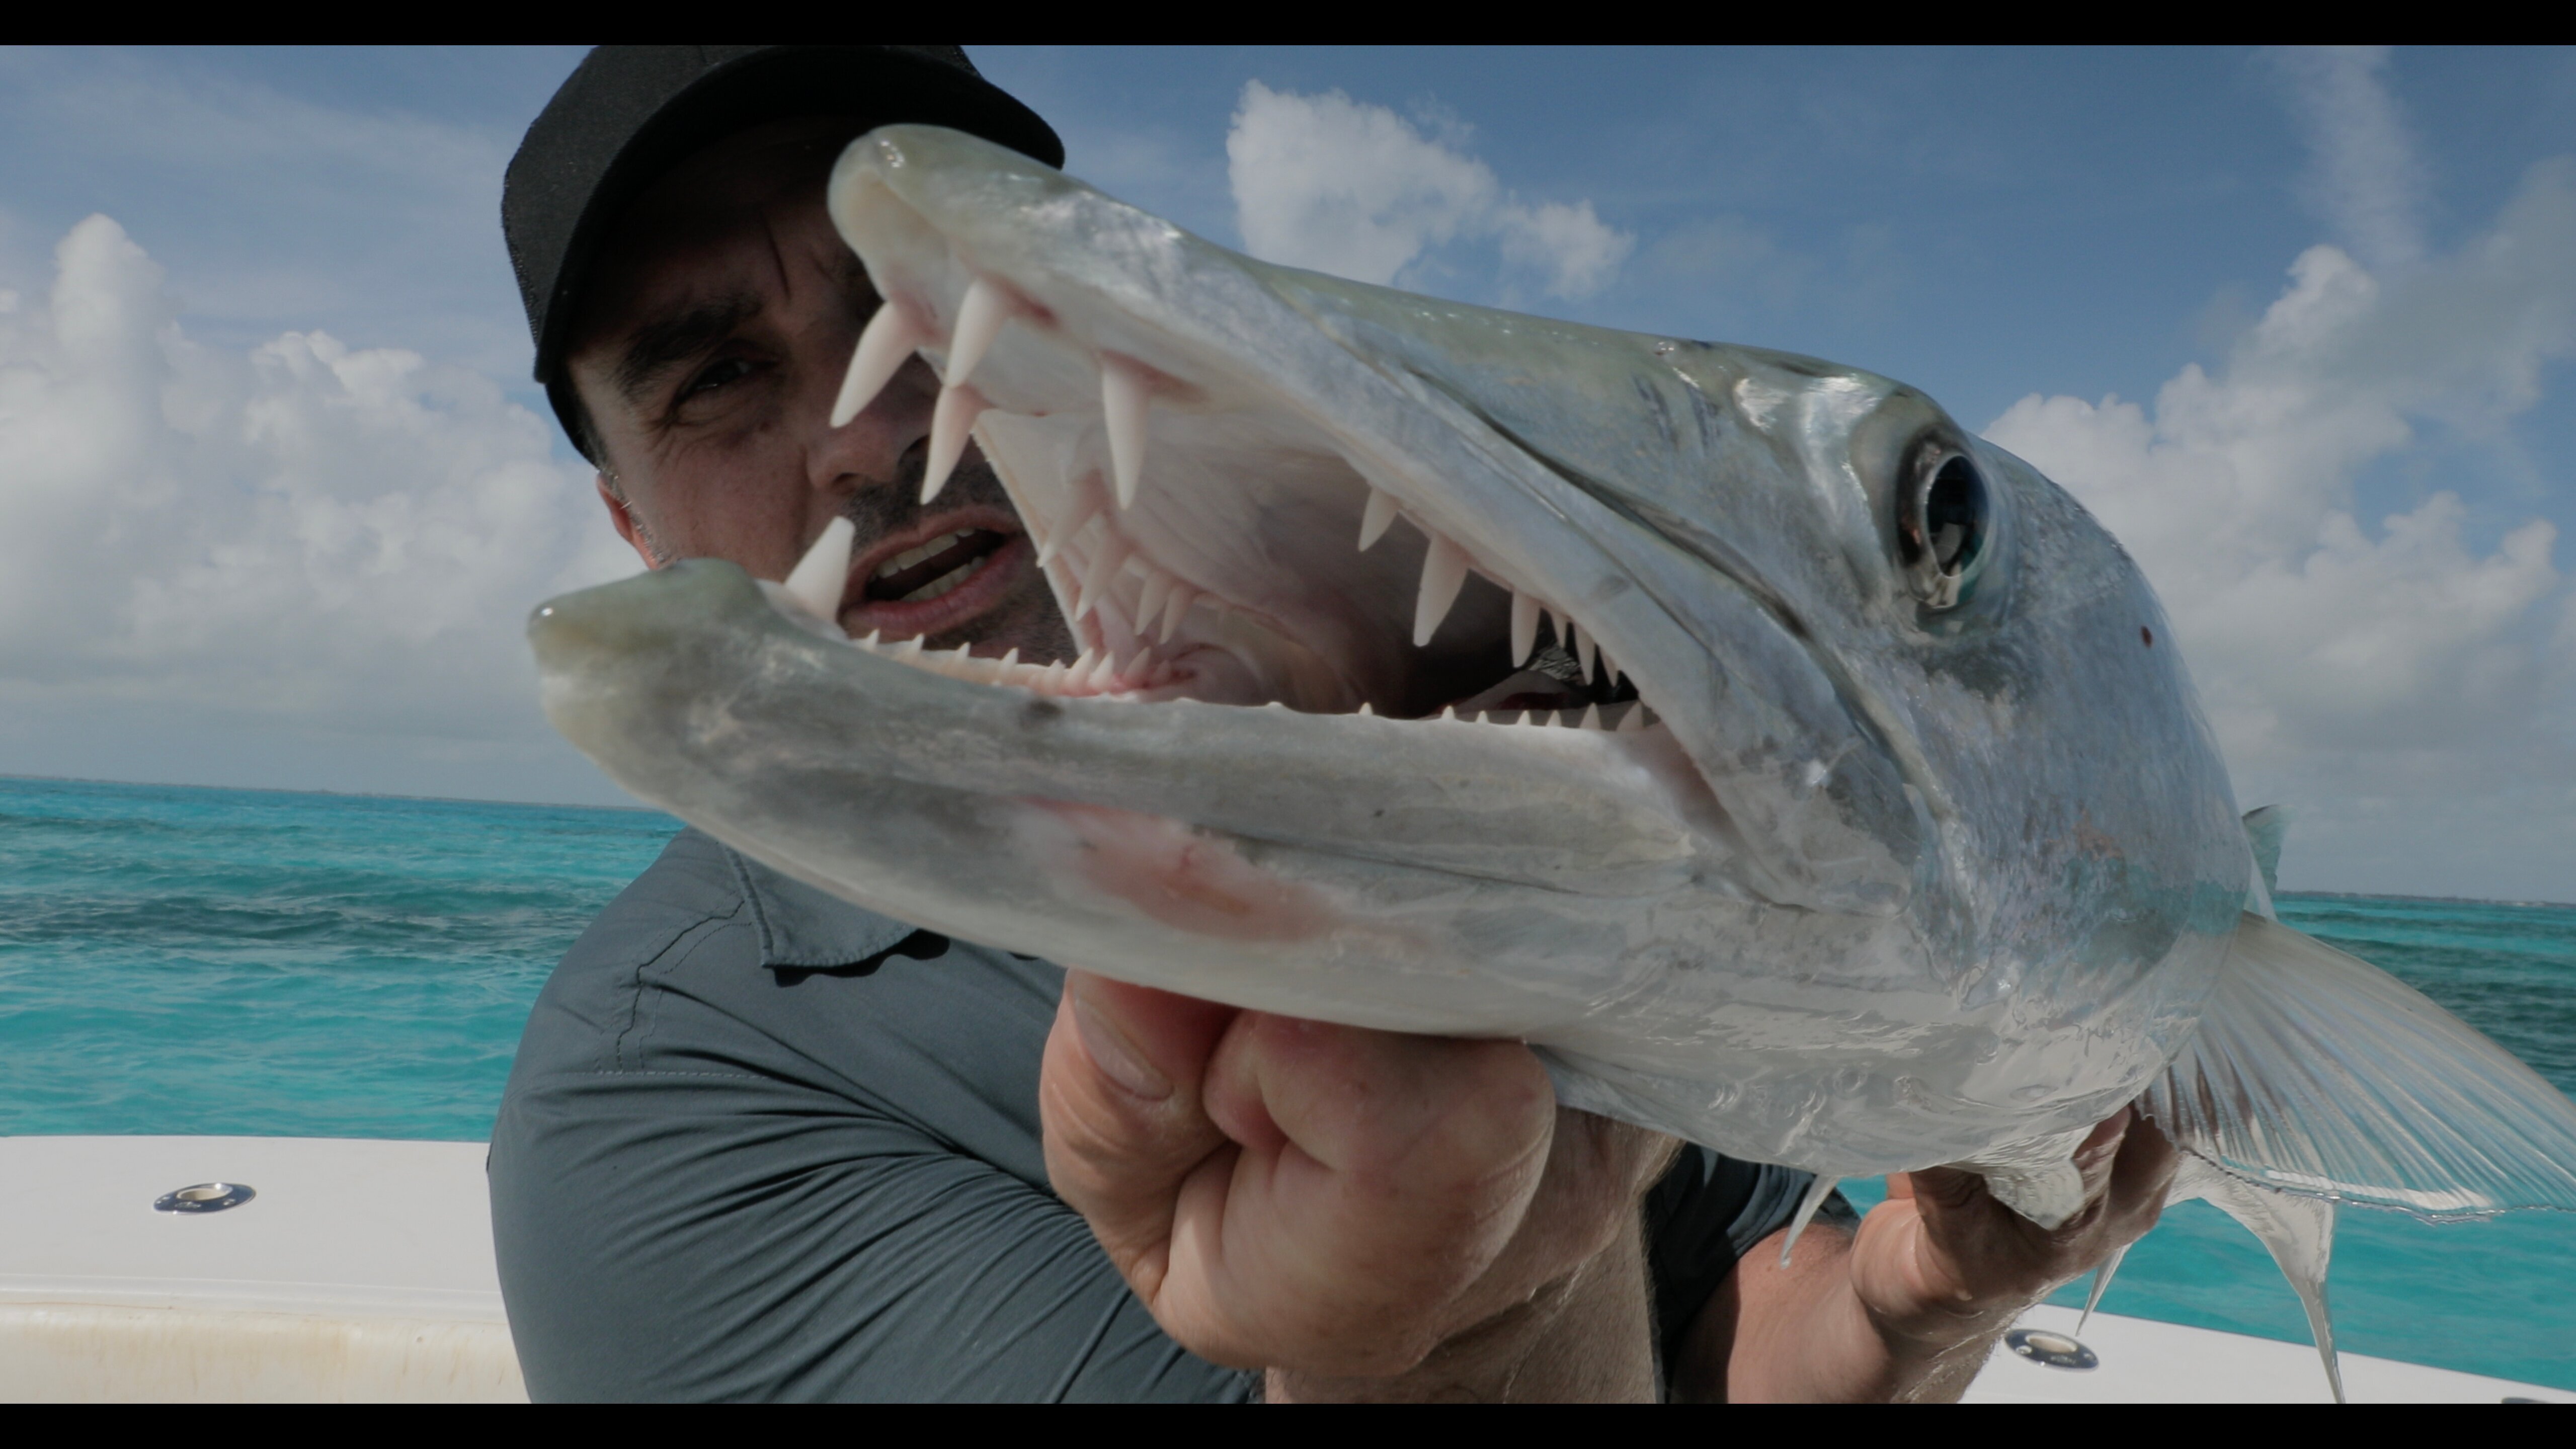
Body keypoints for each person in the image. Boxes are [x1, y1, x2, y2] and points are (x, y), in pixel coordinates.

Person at [486, 45, 2172, 1403]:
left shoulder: (1526, 751)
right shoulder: (655, 1108)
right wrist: (1465, 1326)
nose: (870, 436)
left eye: (914, 316)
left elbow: (1721, 1334)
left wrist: (1916, 1301)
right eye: (715, 379)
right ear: (631, 522)